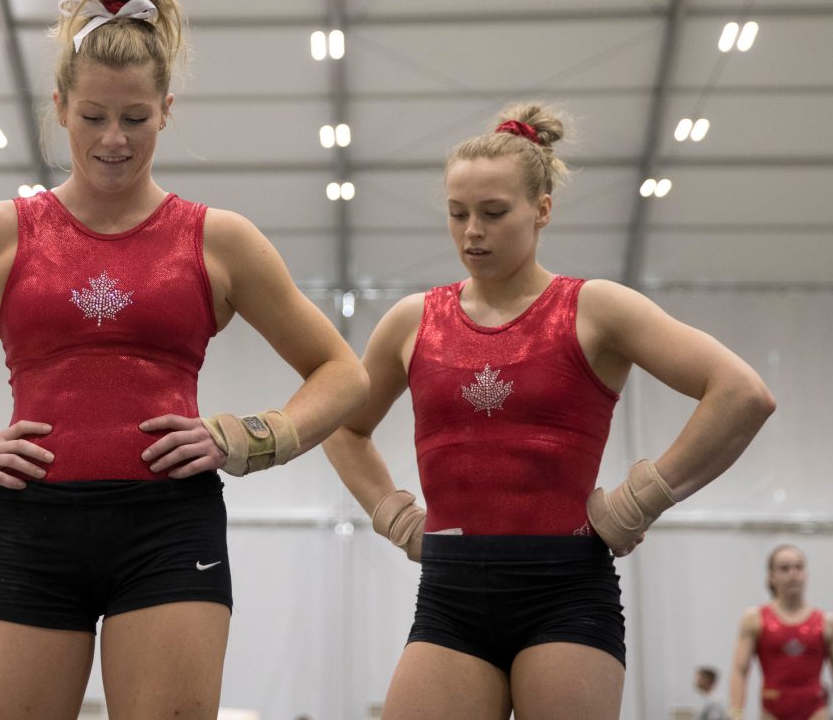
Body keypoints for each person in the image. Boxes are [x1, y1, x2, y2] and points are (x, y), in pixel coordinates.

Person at [0, 0, 368, 720]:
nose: (113, 139)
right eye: (92, 117)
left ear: (166, 111)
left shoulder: (219, 240)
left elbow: (343, 373)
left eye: (135, 118)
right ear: (59, 107)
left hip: (169, 528)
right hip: (34, 527)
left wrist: (251, 438)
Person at [321, 103, 776, 719]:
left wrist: (640, 500)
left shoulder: (596, 310)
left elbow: (741, 393)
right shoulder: (412, 321)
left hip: (566, 594)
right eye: (457, 213)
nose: (472, 232)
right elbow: (344, 426)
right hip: (450, 596)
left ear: (542, 210)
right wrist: (395, 518)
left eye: (493, 213)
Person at [728, 545, 833, 720]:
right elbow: (739, 671)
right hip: (772, 712)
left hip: (815, 712)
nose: (793, 573)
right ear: (771, 577)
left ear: (806, 574)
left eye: (799, 567)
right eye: (785, 568)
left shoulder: (828, 623)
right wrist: (736, 713)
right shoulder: (754, 619)